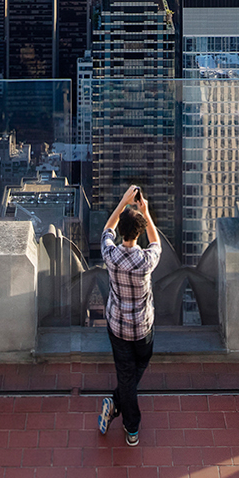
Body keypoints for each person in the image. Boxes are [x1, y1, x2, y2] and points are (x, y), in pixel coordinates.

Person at [96, 184, 161, 447]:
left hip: (117, 328)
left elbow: (106, 231)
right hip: (142, 328)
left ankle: (115, 405)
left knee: (126, 374)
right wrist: (145, 212)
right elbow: (155, 241)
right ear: (138, 232)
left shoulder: (110, 255)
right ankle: (130, 427)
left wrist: (123, 202)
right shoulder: (146, 260)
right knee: (137, 367)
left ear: (122, 231)